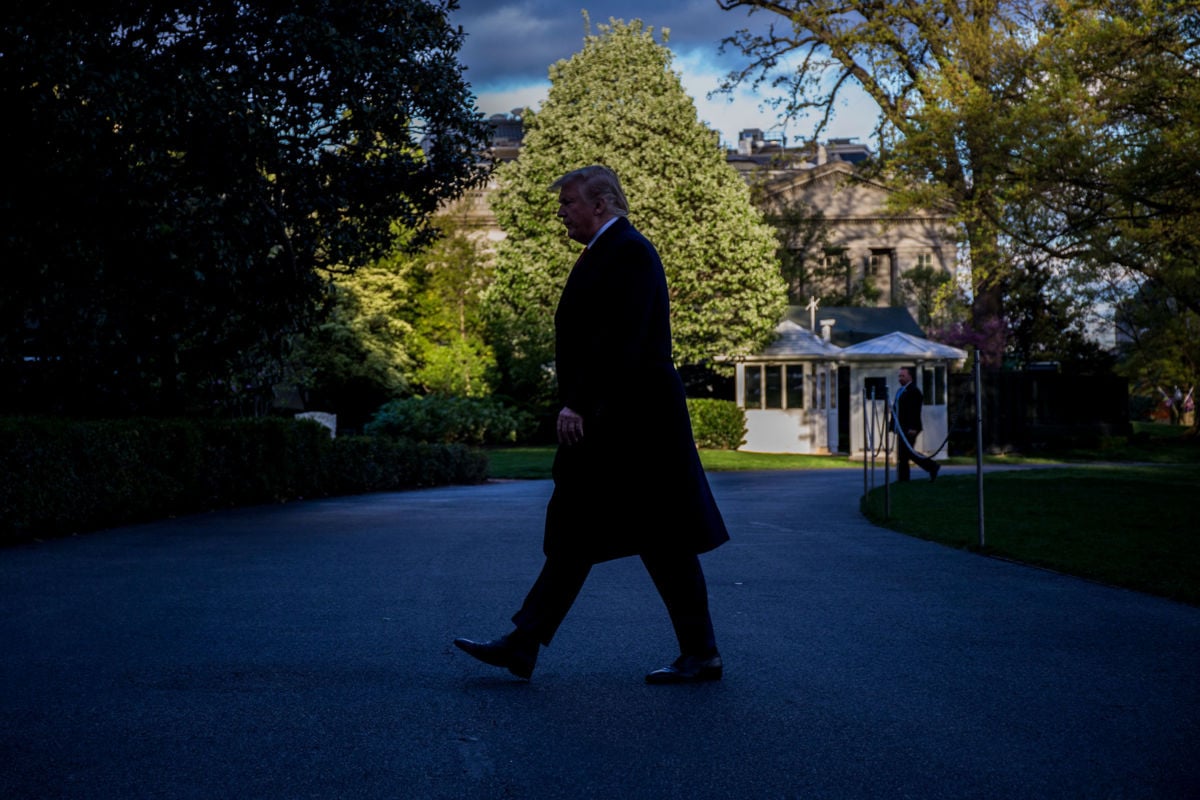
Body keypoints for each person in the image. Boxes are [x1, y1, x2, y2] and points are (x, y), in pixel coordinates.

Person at [453, 165, 729, 684]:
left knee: (643, 534)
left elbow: (620, 342)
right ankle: (527, 643)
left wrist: (579, 403)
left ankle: (697, 653)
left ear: (600, 203)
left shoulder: (627, 251)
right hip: (623, 419)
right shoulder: (612, 250)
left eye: (568, 203)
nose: (561, 213)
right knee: (604, 533)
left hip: (631, 423)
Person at [891, 365, 940, 482]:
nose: (900, 378)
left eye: (903, 376)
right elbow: (898, 408)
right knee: (904, 454)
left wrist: (913, 427)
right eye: (899, 376)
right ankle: (904, 479)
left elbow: (914, 411)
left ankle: (932, 466)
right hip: (902, 427)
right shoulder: (901, 391)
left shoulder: (914, 391)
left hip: (910, 428)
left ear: (910, 377)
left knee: (907, 453)